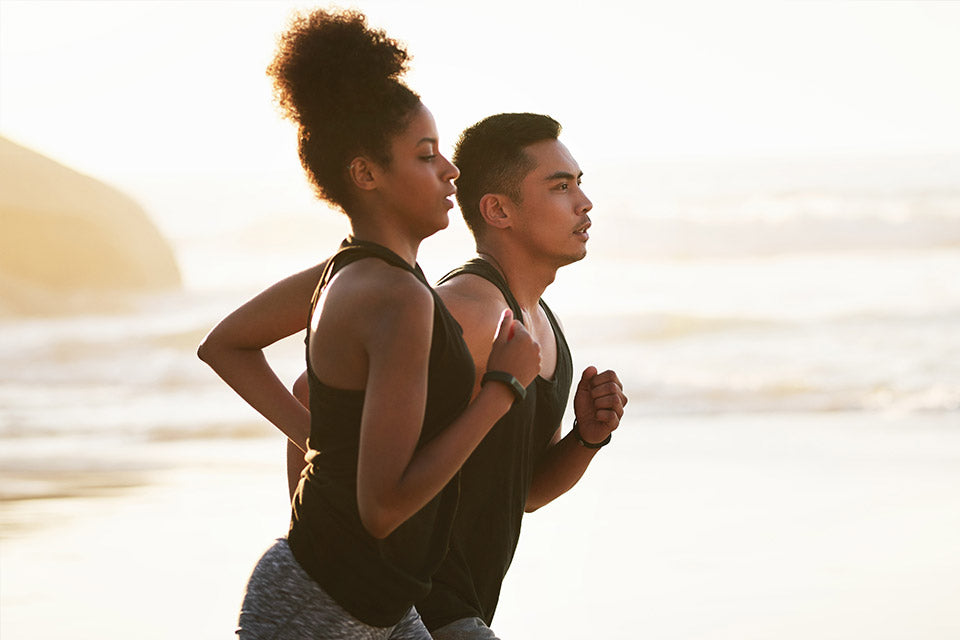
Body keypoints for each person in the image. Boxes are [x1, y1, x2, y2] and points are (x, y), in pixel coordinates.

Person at [198, 9, 540, 639]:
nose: (451, 171)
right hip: (320, 607)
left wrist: (323, 444)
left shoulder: (352, 271)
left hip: (379, 599)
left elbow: (226, 345)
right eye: (427, 156)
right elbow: (383, 508)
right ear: (366, 174)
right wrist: (502, 388)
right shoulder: (396, 298)